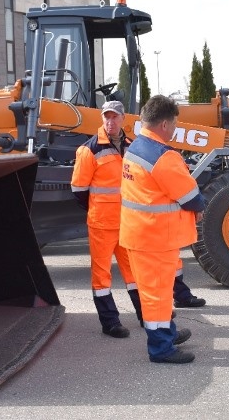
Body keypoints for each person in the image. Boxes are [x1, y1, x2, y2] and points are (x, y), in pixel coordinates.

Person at [119, 95, 206, 363]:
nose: (176, 129)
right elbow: (191, 197)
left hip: (139, 234)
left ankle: (165, 333)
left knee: (154, 292)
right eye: (176, 124)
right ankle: (161, 349)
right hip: (156, 238)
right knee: (157, 295)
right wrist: (199, 208)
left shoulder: (134, 149)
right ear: (165, 124)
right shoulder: (163, 157)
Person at [71, 100, 139, 338]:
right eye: (106, 117)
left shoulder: (132, 147)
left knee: (134, 272)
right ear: (102, 119)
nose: (110, 122)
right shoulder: (89, 150)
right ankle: (110, 323)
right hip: (102, 224)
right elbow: (79, 190)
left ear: (123, 120)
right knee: (102, 275)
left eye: (114, 117)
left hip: (127, 222)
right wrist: (98, 210)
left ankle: (146, 314)